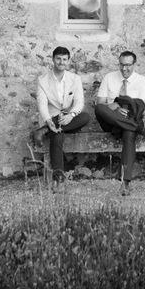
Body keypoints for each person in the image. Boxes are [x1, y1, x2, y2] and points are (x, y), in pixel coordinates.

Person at [95, 51, 145, 196]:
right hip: (111, 121)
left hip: (130, 119)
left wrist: (127, 108)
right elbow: (100, 103)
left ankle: (125, 183)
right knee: (99, 108)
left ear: (134, 64)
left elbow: (142, 108)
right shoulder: (109, 78)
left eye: (128, 65)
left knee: (129, 132)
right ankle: (141, 129)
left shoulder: (142, 81)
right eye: (121, 65)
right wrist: (113, 106)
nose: (124, 69)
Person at [33, 46, 90, 188]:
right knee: (57, 136)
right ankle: (58, 178)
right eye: (58, 58)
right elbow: (42, 104)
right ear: (53, 59)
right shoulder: (43, 80)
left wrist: (71, 115)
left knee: (85, 117)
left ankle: (44, 130)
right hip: (51, 119)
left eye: (64, 59)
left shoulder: (75, 79)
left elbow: (79, 102)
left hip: (68, 121)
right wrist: (48, 121)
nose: (61, 62)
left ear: (68, 61)